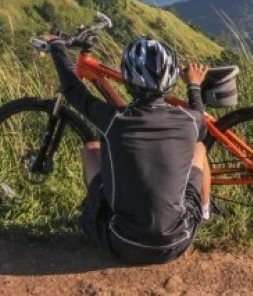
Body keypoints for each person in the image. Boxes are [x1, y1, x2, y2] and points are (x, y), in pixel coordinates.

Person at [45, 34, 212, 264]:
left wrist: (57, 47)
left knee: (92, 149)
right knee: (200, 149)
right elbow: (201, 123)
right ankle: (204, 214)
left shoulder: (114, 120)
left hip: (122, 243)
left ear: (127, 78)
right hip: (176, 243)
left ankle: (96, 210)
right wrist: (194, 85)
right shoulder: (190, 121)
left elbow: (73, 91)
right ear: (172, 77)